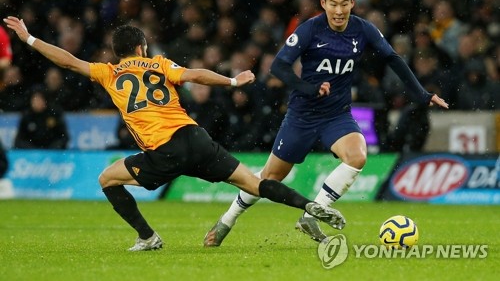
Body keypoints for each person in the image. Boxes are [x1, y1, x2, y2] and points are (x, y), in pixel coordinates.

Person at [4, 16, 345, 251]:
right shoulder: (160, 64)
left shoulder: (108, 72)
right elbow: (195, 74)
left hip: (163, 151)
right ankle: (309, 205)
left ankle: (148, 237)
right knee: (254, 184)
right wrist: (230, 81)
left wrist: (29, 38)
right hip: (196, 138)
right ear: (141, 47)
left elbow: (67, 61)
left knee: (108, 179)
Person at [203, 0, 449, 247]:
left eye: (344, 3)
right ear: (323, 3)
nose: (339, 10)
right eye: (333, 4)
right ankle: (228, 219)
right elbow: (279, 67)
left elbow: (393, 58)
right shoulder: (310, 29)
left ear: (353, 3)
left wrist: (422, 95)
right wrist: (308, 88)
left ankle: (312, 214)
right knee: (270, 178)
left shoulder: (363, 29)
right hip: (302, 116)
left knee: (357, 156)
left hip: (337, 115)